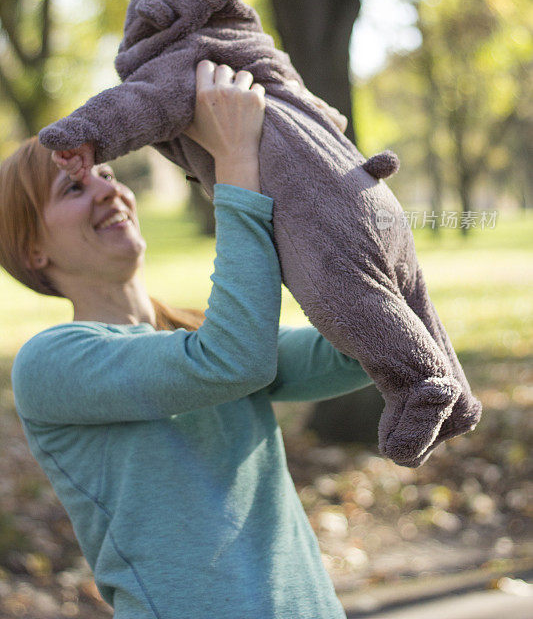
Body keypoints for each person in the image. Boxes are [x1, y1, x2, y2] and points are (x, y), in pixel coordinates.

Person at [3, 60, 373, 619]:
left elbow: (352, 353)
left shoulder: (194, 331)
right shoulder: (50, 365)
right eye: (73, 187)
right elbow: (232, 362)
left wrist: (328, 182)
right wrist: (235, 161)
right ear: (33, 249)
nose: (107, 189)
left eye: (106, 172)